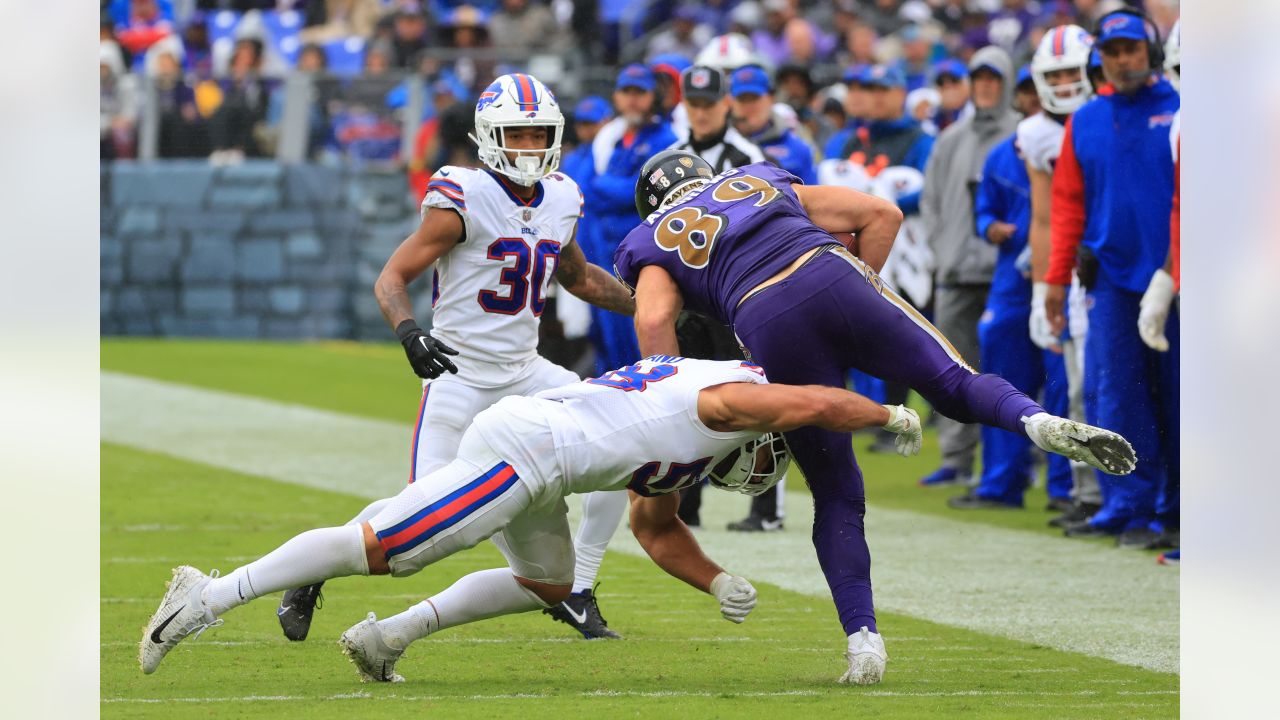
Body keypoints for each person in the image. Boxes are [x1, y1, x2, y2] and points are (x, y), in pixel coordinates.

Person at [614, 149, 1137, 684]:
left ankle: (864, 643)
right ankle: (1036, 422)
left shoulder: (648, 240)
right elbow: (882, 214)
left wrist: (675, 394)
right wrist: (856, 299)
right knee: (955, 384)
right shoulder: (754, 181)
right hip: (830, 272)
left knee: (836, 488)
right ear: (707, 176)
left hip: (765, 316)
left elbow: (654, 317)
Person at [139, 355, 932, 679]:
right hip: (530, 451)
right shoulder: (726, 399)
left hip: (544, 453)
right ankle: (206, 594)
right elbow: (816, 401)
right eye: (769, 451)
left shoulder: (701, 420)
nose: (762, 466)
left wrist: (716, 578)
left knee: (548, 581)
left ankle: (386, 640)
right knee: (382, 549)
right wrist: (887, 414)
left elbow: (655, 528)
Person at [272, 73, 640, 646]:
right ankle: (314, 568)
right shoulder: (462, 195)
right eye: (517, 134)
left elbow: (579, 276)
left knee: (618, 444)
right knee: (425, 511)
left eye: (538, 133)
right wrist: (409, 330)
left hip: (527, 371)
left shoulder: (563, 195)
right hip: (460, 374)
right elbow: (392, 277)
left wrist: (647, 308)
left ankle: (579, 590)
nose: (529, 146)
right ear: (491, 136)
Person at [1041, 8, 1179, 548]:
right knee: (1117, 395)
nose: (1123, 60)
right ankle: (1131, 508)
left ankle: (1176, 507)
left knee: (1179, 395)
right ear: (1101, 58)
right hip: (1111, 280)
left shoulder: (1183, 107)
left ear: (1151, 52)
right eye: (1113, 52)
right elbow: (1069, 207)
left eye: (1132, 49)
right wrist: (1054, 280)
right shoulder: (1086, 119)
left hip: (1179, 275)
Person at [947, 67, 1072, 510]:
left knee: (1062, 386)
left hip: (1059, 276)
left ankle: (1065, 489)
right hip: (1011, 284)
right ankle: (1001, 484)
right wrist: (991, 227)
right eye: (1026, 91)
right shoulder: (1002, 154)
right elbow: (983, 210)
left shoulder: (1071, 141)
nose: (1033, 98)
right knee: (1002, 386)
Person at [663, 63, 766, 529]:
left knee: (754, 396)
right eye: (695, 104)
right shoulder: (674, 156)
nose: (701, 113)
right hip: (689, 297)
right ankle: (688, 509)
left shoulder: (747, 154)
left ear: (726, 104)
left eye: (709, 104)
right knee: (687, 400)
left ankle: (765, 508)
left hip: (735, 293)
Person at [918, 46, 1020, 487]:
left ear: (1007, 83)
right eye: (978, 77)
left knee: (1010, 373)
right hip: (957, 273)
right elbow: (932, 202)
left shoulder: (1021, 133)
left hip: (1008, 275)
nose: (985, 86)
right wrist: (943, 254)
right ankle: (956, 460)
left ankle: (1014, 465)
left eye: (993, 78)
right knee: (951, 371)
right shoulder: (949, 141)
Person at [1022, 24, 1103, 528]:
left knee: (1108, 381)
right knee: (1076, 386)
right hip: (1069, 269)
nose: (1069, 83)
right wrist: (1040, 290)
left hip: (1114, 259)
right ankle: (1090, 492)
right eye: (1057, 74)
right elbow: (1043, 217)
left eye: (1074, 71)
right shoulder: (1034, 134)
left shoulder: (1105, 117)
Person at [582, 65, 678, 374]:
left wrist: (605, 185)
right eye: (627, 92)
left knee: (639, 335)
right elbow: (586, 188)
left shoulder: (669, 139)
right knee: (603, 335)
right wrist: (611, 188)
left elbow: (637, 194)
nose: (633, 100)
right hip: (601, 249)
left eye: (640, 92)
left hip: (639, 255)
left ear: (654, 97)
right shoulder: (610, 136)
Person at [730, 65, 817, 185]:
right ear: (730, 103)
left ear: (771, 99)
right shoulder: (720, 143)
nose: (748, 106)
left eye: (754, 98)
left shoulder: (798, 148)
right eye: (742, 99)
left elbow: (811, 198)